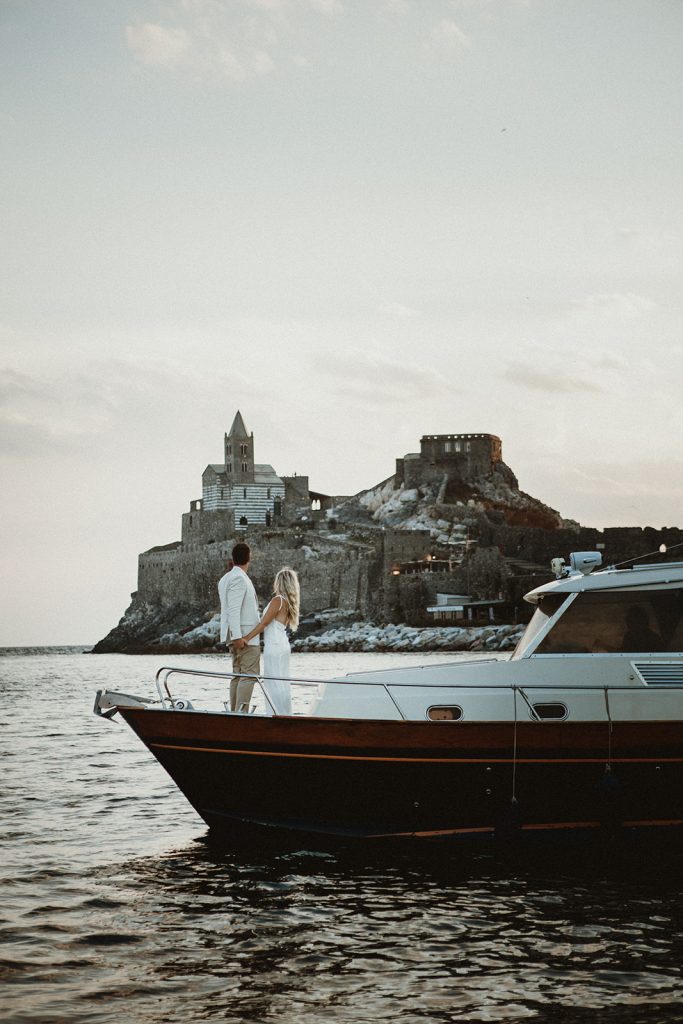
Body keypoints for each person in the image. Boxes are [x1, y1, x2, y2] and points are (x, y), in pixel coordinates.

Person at [241, 567, 300, 715]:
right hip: (282, 644)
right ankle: (284, 714)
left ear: (279, 583)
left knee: (273, 683)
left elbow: (264, 623)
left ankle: (276, 715)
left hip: (274, 646)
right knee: (282, 682)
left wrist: (247, 637)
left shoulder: (278, 600)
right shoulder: (289, 603)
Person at [218, 542, 260, 712]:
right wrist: (237, 637)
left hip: (235, 633)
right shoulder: (239, 578)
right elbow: (233, 609)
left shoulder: (225, 578)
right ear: (248, 558)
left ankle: (235, 713)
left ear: (233, 558)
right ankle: (241, 714)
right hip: (243, 635)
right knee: (249, 675)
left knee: (237, 674)